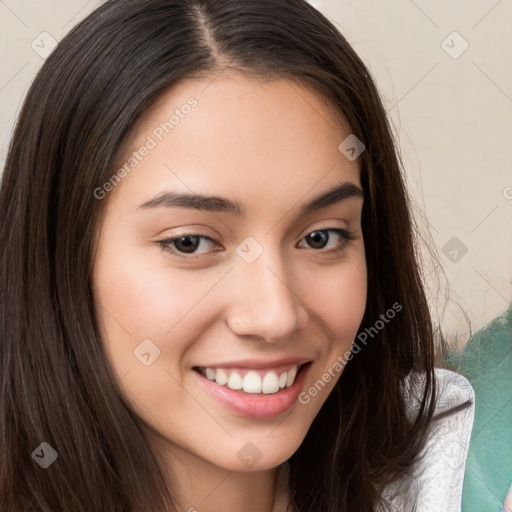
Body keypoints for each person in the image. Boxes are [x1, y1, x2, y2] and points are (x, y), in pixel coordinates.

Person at [0, 0, 474, 510]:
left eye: (321, 237)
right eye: (190, 242)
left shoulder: (467, 468)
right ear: (60, 258)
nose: (274, 316)